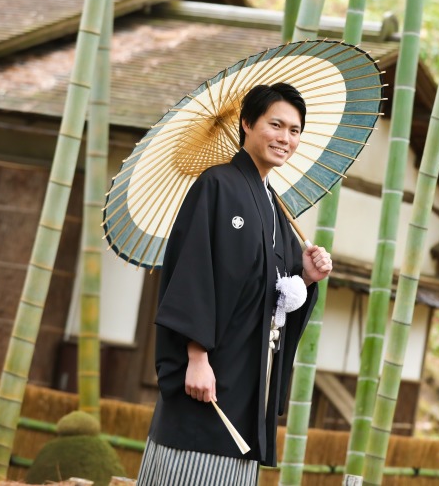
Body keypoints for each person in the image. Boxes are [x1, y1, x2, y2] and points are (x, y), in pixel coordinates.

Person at [137, 83, 332, 485]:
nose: (286, 138)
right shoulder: (217, 185)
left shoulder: (275, 206)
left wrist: (305, 279)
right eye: (275, 125)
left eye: (295, 130)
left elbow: (271, 292)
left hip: (250, 371)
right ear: (247, 123)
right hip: (210, 368)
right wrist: (195, 357)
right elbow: (193, 272)